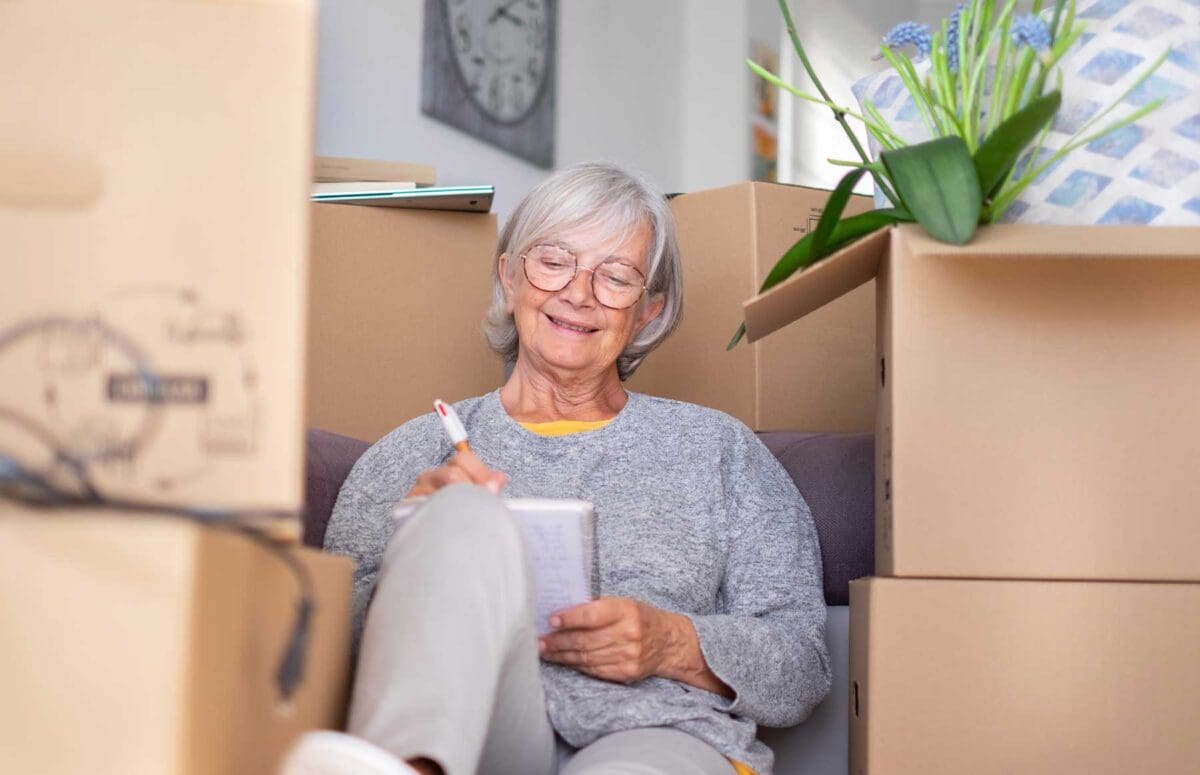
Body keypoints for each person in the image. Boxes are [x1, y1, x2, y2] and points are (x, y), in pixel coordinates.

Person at [281, 162, 830, 775]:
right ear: (509, 278)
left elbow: (802, 666)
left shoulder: (718, 450)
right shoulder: (412, 453)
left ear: (649, 310)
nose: (578, 292)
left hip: (659, 734)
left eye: (615, 277)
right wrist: (421, 549)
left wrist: (671, 642)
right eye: (552, 261)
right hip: (484, 736)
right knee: (458, 512)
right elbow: (325, 658)